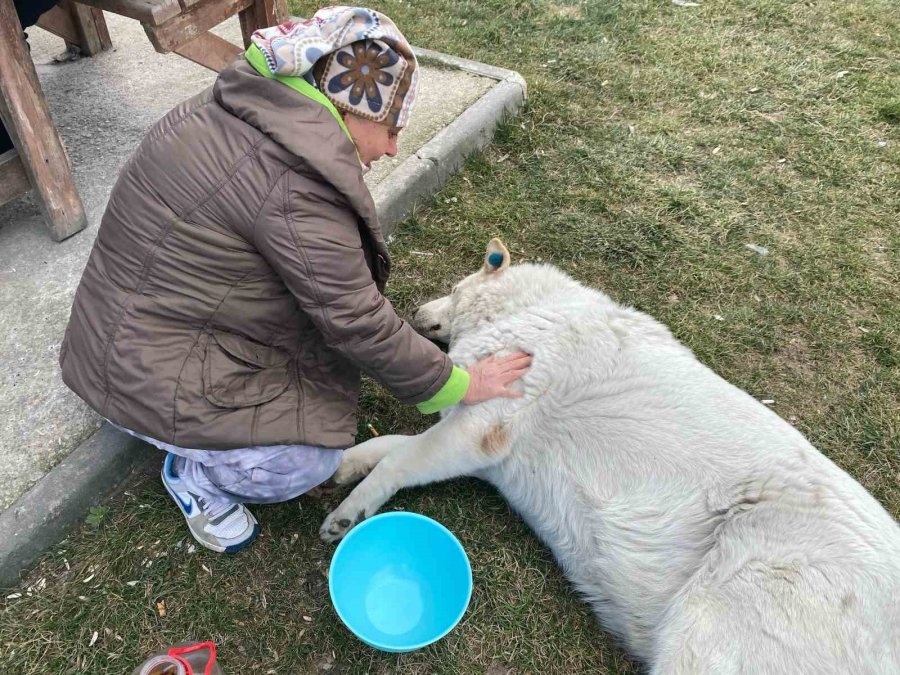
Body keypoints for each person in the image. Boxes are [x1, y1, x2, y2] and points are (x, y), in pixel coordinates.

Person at [59, 7, 530, 553]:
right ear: (350, 109)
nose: (394, 148)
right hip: (136, 371)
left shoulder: (238, 115)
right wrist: (463, 383)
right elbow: (357, 321)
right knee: (305, 462)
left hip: (127, 335)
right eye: (391, 127)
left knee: (315, 381)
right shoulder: (292, 186)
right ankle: (195, 476)